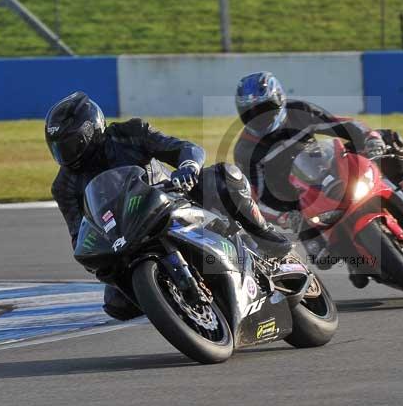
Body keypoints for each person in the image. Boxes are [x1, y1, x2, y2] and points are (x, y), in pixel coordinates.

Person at [46, 91, 291, 320]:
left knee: (223, 178)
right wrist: (94, 256)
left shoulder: (130, 133)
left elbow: (185, 148)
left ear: (91, 131)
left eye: (69, 144)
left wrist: (188, 168)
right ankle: (177, 307)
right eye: (57, 148)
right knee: (116, 303)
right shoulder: (64, 186)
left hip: (173, 200)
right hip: (128, 236)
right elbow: (79, 233)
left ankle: (263, 235)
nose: (64, 154)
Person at [232, 72, 403, 285]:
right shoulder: (245, 150)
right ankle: (353, 259)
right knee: (322, 257)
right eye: (251, 112)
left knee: (388, 139)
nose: (259, 116)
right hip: (294, 197)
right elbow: (256, 197)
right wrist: (284, 217)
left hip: (321, 166)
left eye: (265, 109)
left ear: (280, 100)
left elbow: (344, 126)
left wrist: (371, 138)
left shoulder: (299, 112)